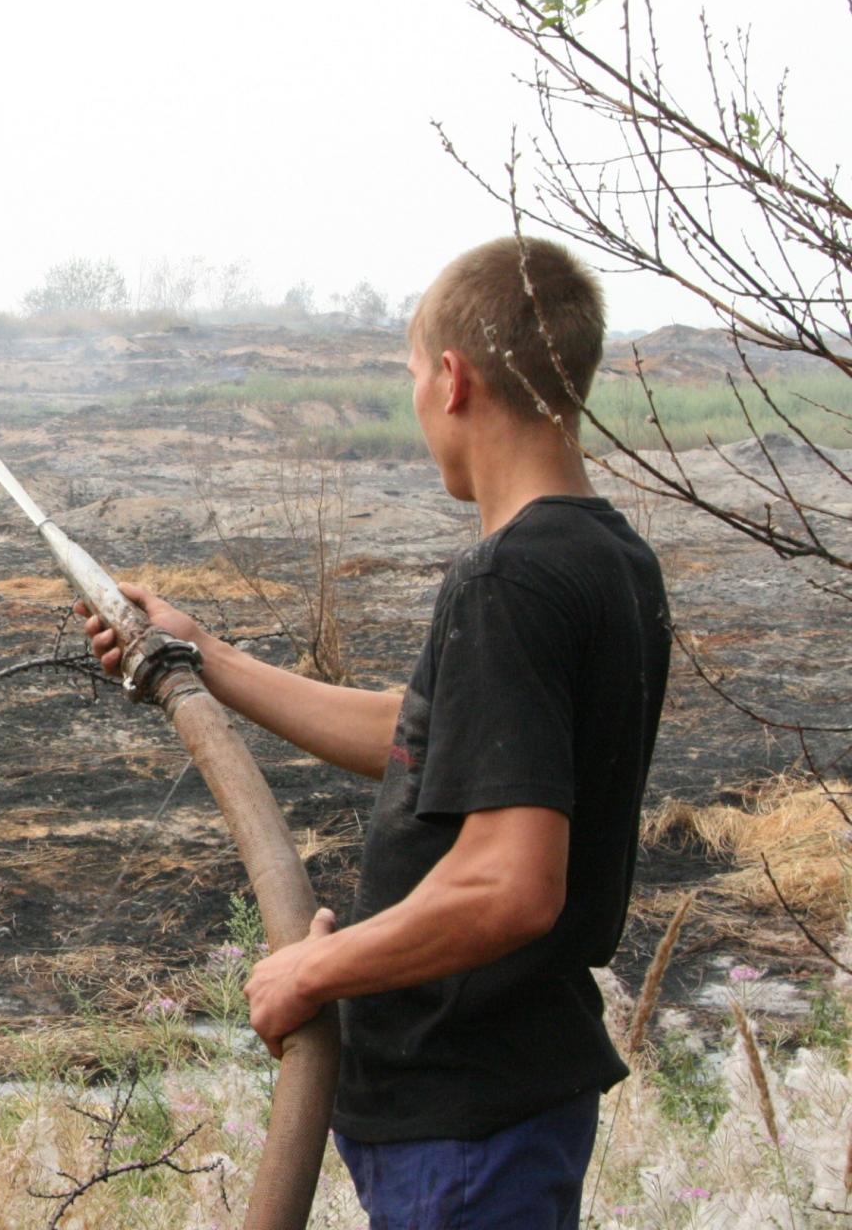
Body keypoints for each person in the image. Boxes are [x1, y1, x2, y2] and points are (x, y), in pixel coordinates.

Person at [79, 236, 669, 1228]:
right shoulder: (605, 557)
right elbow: (437, 734)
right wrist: (201, 654)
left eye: (410, 374)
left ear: (452, 379)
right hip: (497, 1102)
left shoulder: (509, 580)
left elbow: (510, 883)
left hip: (466, 1121)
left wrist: (312, 968)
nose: (415, 399)